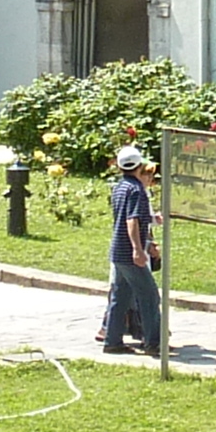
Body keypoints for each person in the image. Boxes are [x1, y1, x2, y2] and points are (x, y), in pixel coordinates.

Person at [97, 142, 161, 355]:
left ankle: (112, 340)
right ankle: (153, 342)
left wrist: (151, 218)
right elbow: (132, 220)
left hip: (117, 251)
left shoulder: (120, 187)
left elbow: (125, 214)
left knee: (120, 296)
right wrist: (138, 249)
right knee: (150, 296)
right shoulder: (137, 190)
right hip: (129, 252)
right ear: (138, 165)